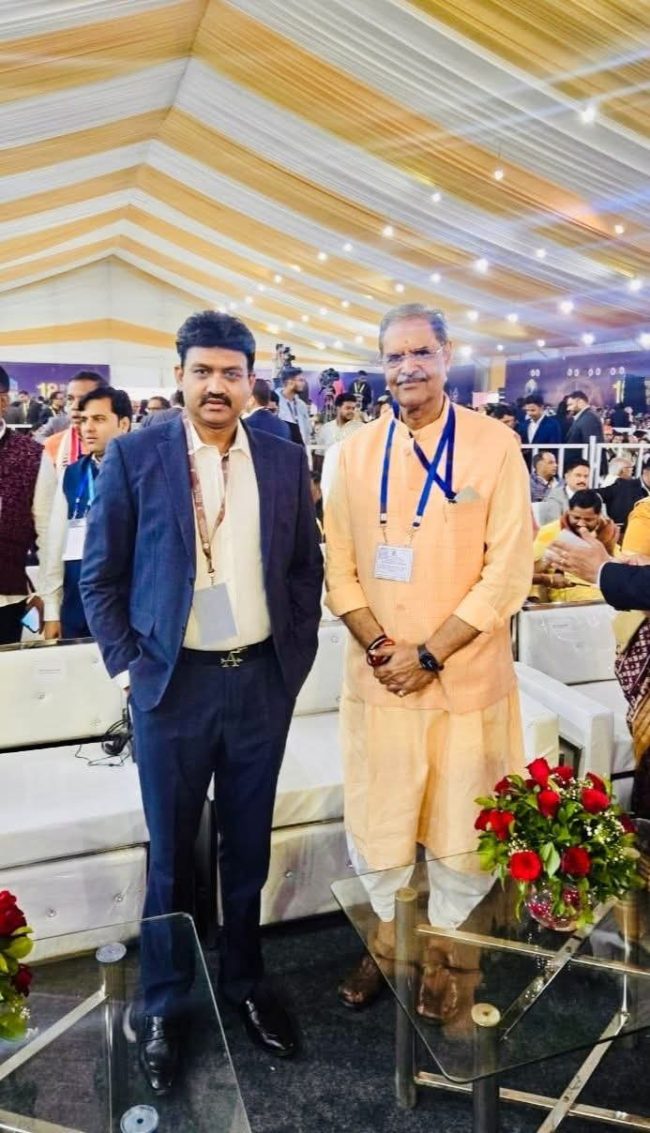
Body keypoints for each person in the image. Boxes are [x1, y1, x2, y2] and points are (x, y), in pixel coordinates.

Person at [80, 311, 322, 1088]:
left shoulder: (283, 457)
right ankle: (164, 1003)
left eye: (231, 372)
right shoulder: (136, 454)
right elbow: (100, 577)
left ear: (250, 380)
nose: (216, 385)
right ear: (179, 375)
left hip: (259, 683)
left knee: (247, 849)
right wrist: (130, 671)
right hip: (171, 687)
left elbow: (303, 569)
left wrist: (291, 662)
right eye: (202, 371)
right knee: (170, 857)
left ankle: (245, 983)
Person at [324, 302, 532, 1008]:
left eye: (421, 352)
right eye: (395, 355)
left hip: (465, 679)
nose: (408, 367)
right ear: (381, 365)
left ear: (447, 356)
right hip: (382, 680)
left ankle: (447, 956)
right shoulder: (352, 452)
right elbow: (338, 568)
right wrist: (387, 648)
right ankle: (387, 945)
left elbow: (507, 572)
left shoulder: (494, 445)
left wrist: (431, 654)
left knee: (460, 827)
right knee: (382, 823)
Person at [42, 388, 132, 641]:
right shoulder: (72, 474)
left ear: (124, 424)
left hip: (130, 610)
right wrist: (52, 611)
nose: (88, 428)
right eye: (84, 420)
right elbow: (55, 544)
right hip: (78, 607)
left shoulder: (144, 473)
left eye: (99, 419)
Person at [0, 369, 56, 644]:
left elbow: (47, 534)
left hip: (5, 598)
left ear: (2, 401)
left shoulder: (31, 456)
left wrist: (49, 599)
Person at [532, 489, 619, 602]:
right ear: (569, 512)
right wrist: (547, 560)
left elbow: (617, 566)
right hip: (567, 596)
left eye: (588, 520)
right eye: (576, 518)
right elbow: (529, 570)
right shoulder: (550, 532)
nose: (581, 523)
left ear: (598, 516)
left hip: (603, 593)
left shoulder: (608, 531)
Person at [42, 371, 106, 471]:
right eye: (70, 399)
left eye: (84, 399)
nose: (74, 406)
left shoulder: (119, 445)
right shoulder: (52, 444)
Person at [599, 456, 650, 535]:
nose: (631, 471)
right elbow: (595, 495)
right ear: (646, 471)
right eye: (630, 468)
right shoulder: (622, 486)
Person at [537, 458, 590, 524]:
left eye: (586, 476)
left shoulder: (595, 497)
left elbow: (602, 523)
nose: (582, 480)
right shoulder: (555, 497)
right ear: (566, 476)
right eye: (578, 475)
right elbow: (556, 525)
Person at [277, 367, 311, 446]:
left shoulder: (301, 405)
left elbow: (306, 431)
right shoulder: (275, 402)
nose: (303, 383)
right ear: (290, 382)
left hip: (300, 448)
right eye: (300, 380)